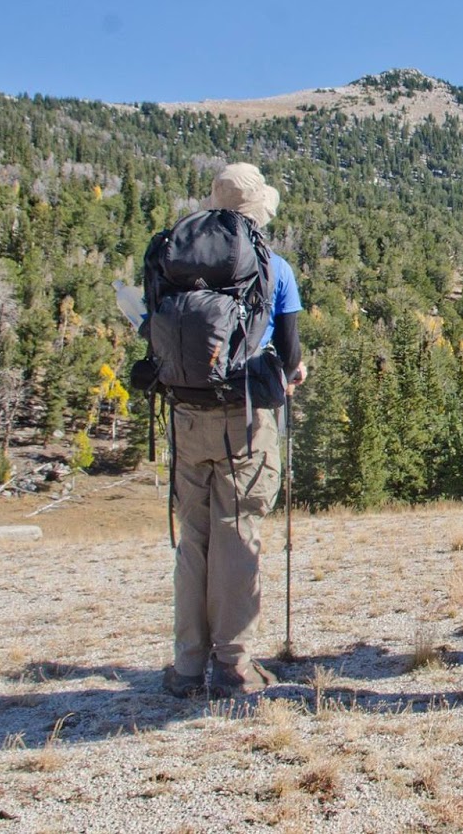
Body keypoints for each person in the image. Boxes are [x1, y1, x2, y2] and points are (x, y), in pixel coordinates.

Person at [161, 162, 306, 698]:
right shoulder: (274, 268)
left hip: (184, 414)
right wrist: (291, 372)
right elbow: (289, 353)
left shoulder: (173, 263)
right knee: (237, 530)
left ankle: (186, 664)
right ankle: (234, 664)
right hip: (244, 416)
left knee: (194, 535)